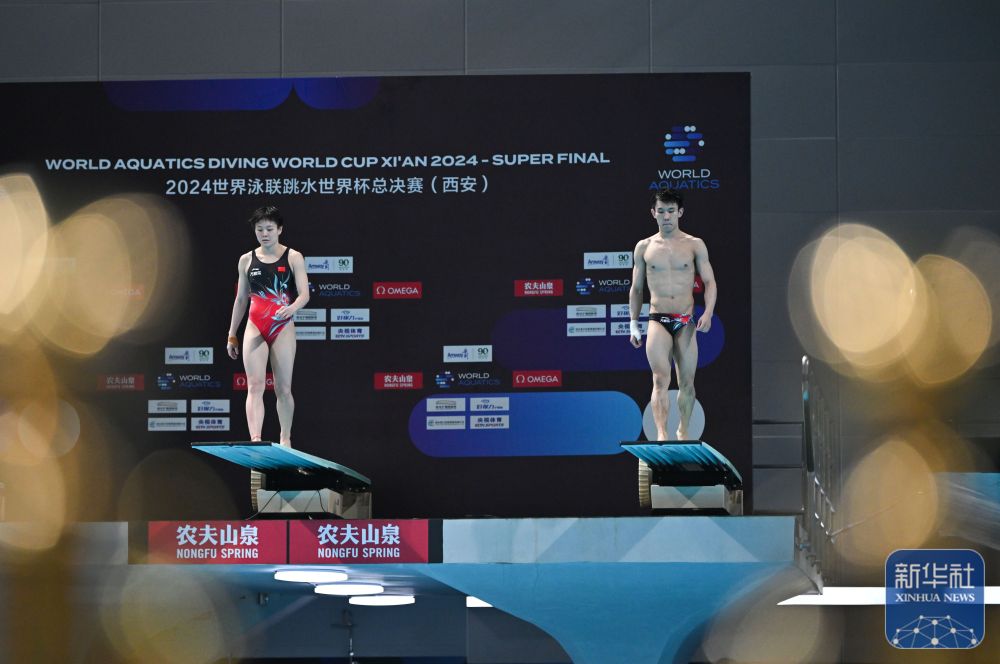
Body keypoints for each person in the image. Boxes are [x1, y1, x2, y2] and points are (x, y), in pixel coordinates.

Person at [628, 189, 717, 441]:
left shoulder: (694, 244)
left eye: (671, 211)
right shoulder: (644, 247)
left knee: (687, 382)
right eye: (661, 211)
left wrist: (708, 312)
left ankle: (683, 432)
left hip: (685, 321)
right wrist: (633, 323)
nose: (666, 216)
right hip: (658, 319)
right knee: (659, 380)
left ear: (680, 213)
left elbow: (709, 282)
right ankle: (662, 435)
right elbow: (636, 289)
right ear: (653, 213)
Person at [226, 206, 309, 447]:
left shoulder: (293, 257)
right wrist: (232, 334)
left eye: (269, 229)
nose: (264, 234)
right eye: (260, 229)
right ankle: (256, 439)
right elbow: (241, 299)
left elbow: (304, 294)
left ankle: (285, 438)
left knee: (283, 388)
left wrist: (291, 308)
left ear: (279, 230)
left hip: (282, 325)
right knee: (254, 386)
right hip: (255, 325)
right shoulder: (246, 260)